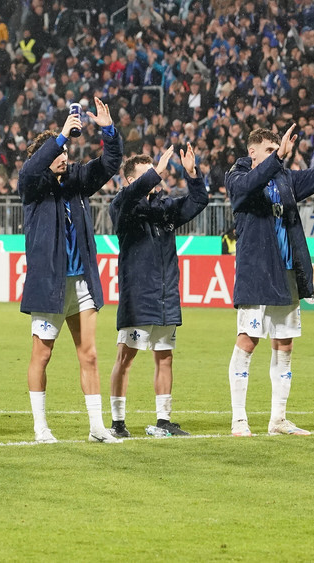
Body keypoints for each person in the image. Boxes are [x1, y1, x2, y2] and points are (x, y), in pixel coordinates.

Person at [224, 119, 314, 437]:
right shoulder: (238, 175)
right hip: (257, 274)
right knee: (247, 342)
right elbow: (246, 188)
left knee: (284, 345)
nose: (277, 154)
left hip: (286, 273)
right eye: (270, 150)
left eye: (278, 149)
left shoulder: (284, 178)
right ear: (253, 152)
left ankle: (278, 419)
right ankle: (239, 419)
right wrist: (277, 159)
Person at [19, 97, 123, 444]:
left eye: (65, 152)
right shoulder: (33, 187)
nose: (64, 157)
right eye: (57, 153)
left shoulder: (77, 179)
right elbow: (30, 170)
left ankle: (97, 427)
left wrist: (109, 131)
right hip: (48, 284)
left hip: (80, 283)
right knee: (42, 355)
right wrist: (61, 136)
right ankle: (40, 426)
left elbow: (109, 164)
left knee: (90, 353)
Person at [107, 142, 208, 438]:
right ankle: (118, 423)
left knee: (165, 356)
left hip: (166, 297)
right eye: (148, 173)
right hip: (138, 296)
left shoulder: (166, 208)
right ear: (131, 180)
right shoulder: (122, 207)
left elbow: (197, 203)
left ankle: (163, 420)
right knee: (125, 357)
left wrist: (192, 174)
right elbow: (129, 198)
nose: (157, 177)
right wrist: (156, 172)